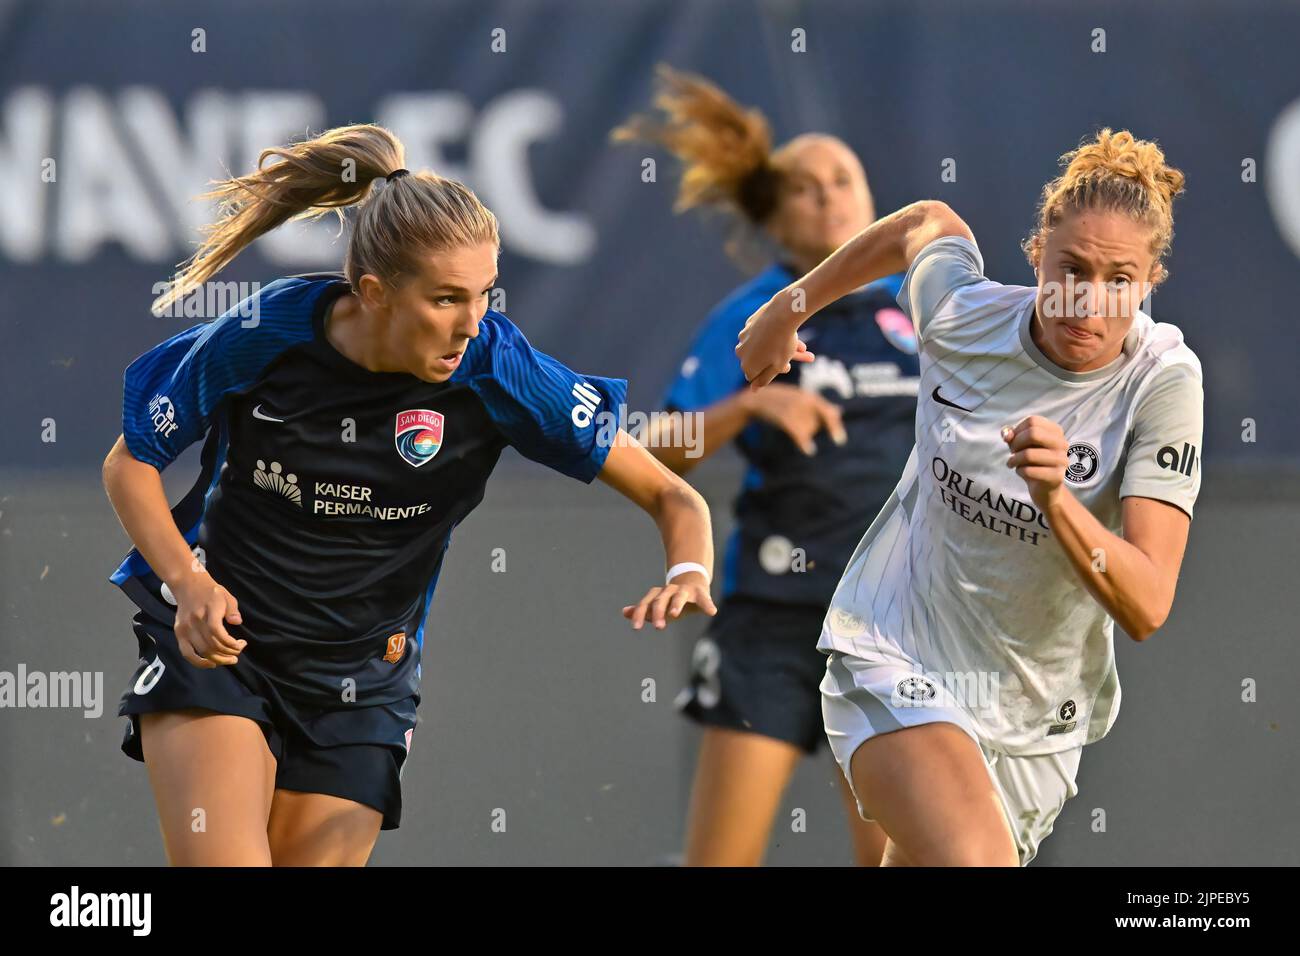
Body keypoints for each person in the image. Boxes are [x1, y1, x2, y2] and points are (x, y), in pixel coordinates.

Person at [103, 123, 716, 866]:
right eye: (446, 298)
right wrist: (187, 582)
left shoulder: (497, 368)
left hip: (362, 686)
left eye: (486, 294)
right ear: (373, 293)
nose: (471, 323)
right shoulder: (265, 333)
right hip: (220, 648)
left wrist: (688, 571)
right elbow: (130, 465)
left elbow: (676, 498)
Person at [737, 128, 1201, 866]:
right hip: (895, 649)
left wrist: (1057, 500)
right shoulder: (963, 318)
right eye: (1070, 268)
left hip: (1035, 720)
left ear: (1150, 283)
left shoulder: (1162, 385)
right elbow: (925, 222)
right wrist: (789, 307)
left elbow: (1146, 602)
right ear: (1034, 255)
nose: (1087, 299)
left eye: (1118, 280)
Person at [614, 66, 917, 866]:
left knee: (891, 859)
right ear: (776, 215)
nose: (828, 196)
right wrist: (748, 406)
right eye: (806, 186)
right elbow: (650, 447)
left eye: (844, 179)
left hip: (895, 620)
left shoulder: (924, 307)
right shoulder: (753, 317)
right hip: (775, 614)